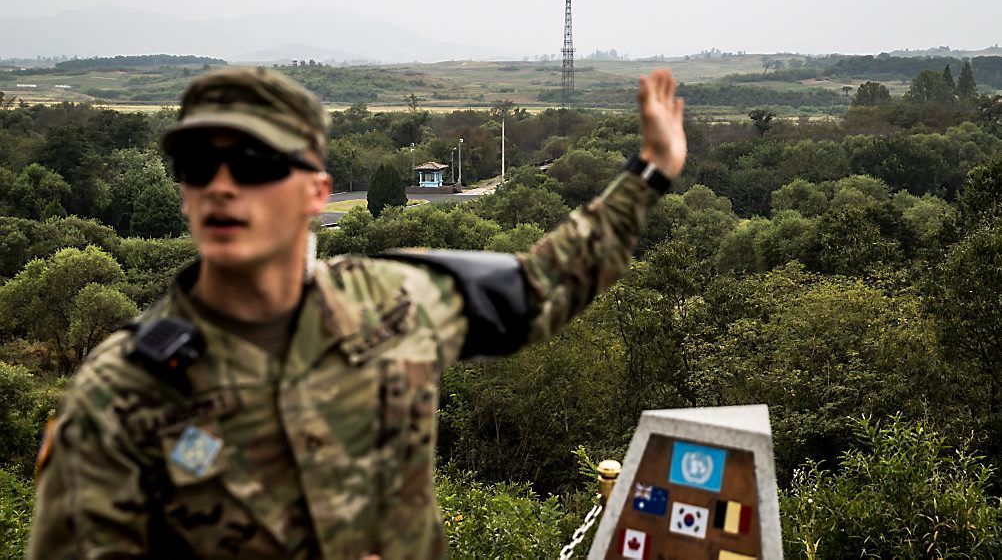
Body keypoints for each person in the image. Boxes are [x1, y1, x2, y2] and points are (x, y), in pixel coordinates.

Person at [28, 66, 687, 560]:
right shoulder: (120, 392)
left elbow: (543, 283)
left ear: (317, 191)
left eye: (253, 164)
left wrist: (651, 172)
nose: (221, 185)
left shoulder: (395, 302)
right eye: (198, 164)